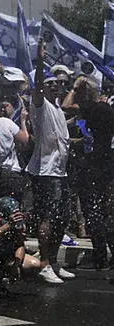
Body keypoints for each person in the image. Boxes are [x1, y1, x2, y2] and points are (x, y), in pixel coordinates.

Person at [26, 41, 74, 284]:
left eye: (59, 84)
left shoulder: (56, 107)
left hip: (60, 172)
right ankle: (44, 263)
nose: (56, 87)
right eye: (51, 84)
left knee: (62, 218)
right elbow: (36, 88)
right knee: (47, 217)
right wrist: (40, 61)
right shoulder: (40, 105)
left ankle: (53, 261)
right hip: (45, 172)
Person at [62, 75, 114, 269]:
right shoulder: (104, 110)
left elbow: (65, 106)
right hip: (104, 165)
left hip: (95, 169)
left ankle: (100, 257)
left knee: (93, 212)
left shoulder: (95, 107)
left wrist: (75, 88)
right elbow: (92, 140)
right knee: (102, 212)